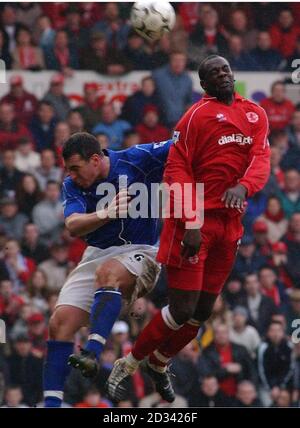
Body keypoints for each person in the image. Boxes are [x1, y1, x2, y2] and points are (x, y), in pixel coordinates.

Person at [107, 55, 270, 402]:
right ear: (204, 85)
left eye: (225, 69)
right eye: (214, 73)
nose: (223, 75)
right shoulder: (196, 116)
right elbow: (176, 172)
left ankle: (160, 362)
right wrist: (192, 221)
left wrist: (244, 186)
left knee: (203, 311)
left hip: (231, 223)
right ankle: (131, 361)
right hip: (193, 224)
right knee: (181, 309)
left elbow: (262, 158)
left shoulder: (254, 113)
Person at [43, 132, 172, 407]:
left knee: (108, 274)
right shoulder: (72, 185)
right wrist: (106, 213)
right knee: (58, 324)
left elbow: (184, 144)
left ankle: (92, 351)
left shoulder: (138, 158)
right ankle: (51, 404)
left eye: (76, 169)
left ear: (95, 159)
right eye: (69, 170)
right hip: (97, 254)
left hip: (142, 250)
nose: (72, 176)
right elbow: (73, 224)